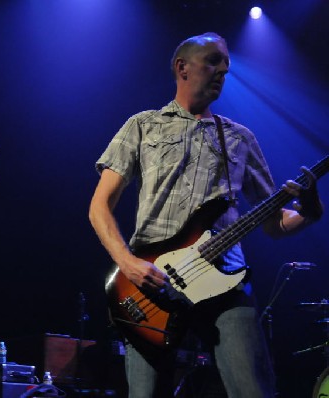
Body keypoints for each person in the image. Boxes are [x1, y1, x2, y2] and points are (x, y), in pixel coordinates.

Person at [88, 32, 324, 398]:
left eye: (226, 64)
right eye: (213, 60)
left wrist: (310, 208)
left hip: (226, 278)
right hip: (153, 280)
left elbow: (275, 225)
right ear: (182, 68)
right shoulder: (142, 125)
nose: (224, 69)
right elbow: (99, 205)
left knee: (253, 390)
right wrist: (127, 263)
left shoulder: (240, 137)